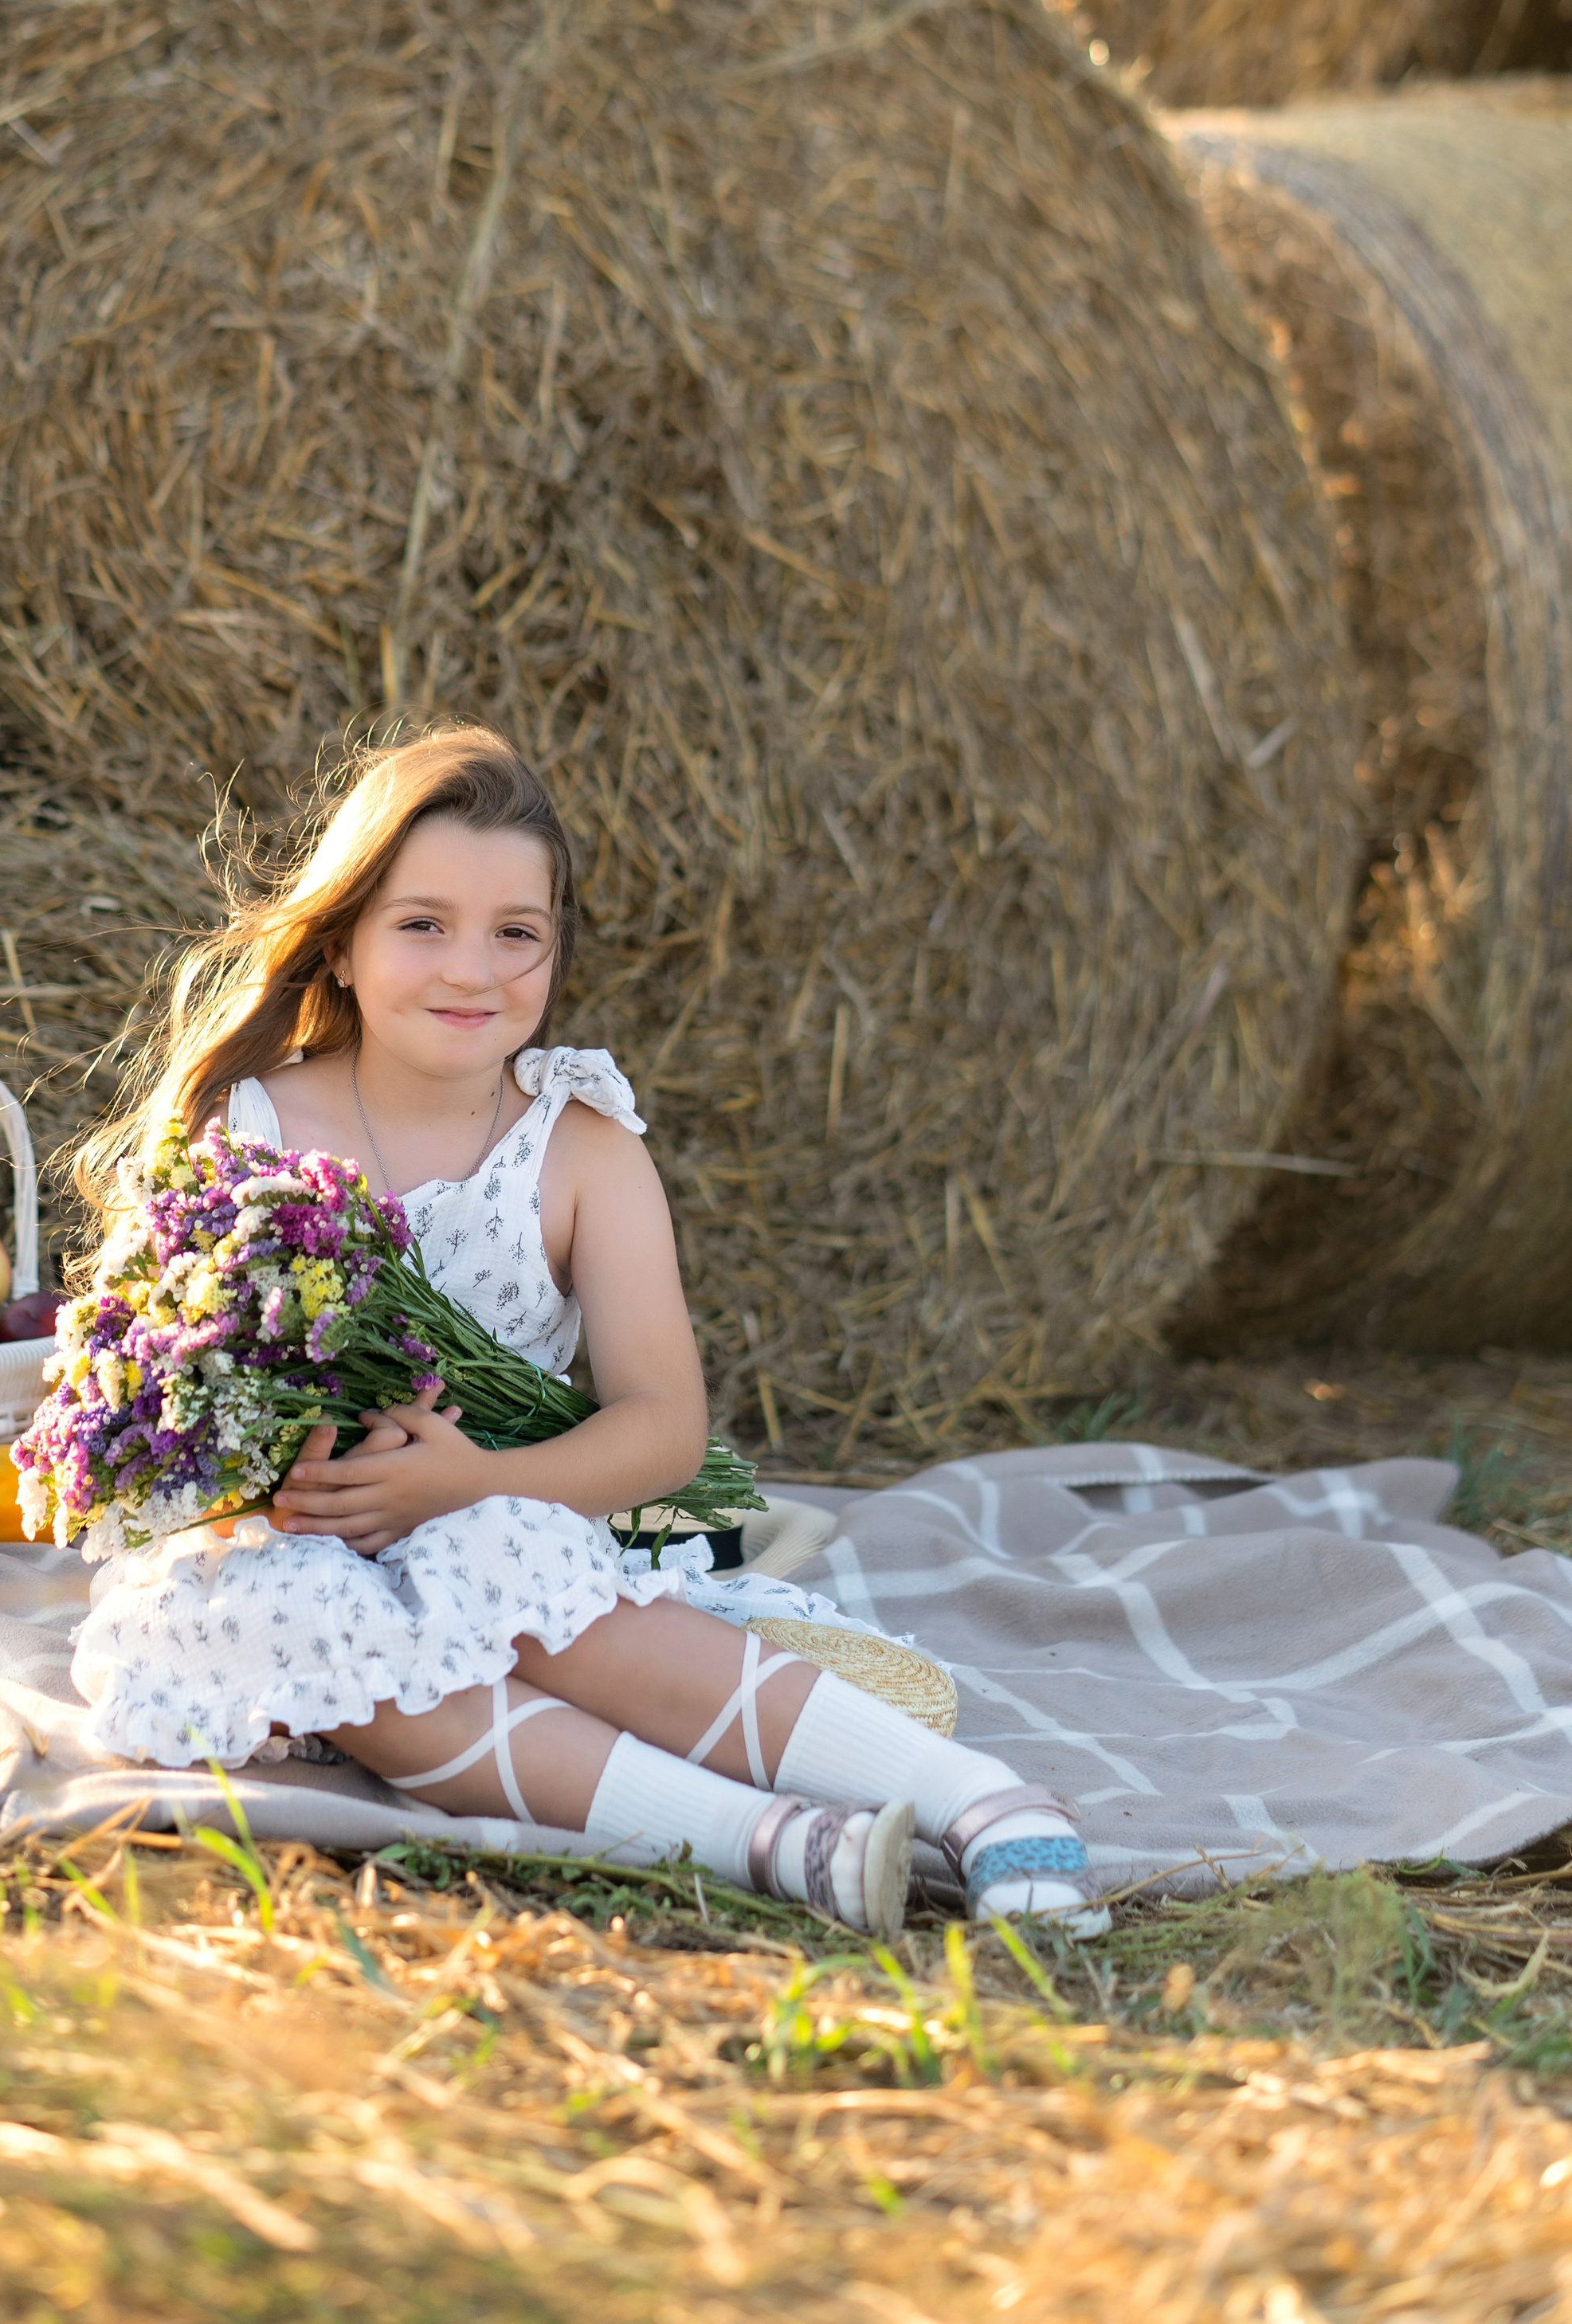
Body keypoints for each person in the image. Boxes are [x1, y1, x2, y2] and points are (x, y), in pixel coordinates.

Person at [69, 724, 1106, 1939]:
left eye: (518, 934)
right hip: (285, 1543)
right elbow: (161, 1381)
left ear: (557, 953)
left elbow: (664, 1427)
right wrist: (263, 1476)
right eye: (422, 925)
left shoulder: (578, 1148)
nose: (473, 969)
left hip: (507, 1508)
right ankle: (766, 1845)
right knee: (308, 1622)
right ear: (341, 946)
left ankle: (975, 1797)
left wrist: (474, 1480)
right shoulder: (242, 1123)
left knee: (491, 1552)